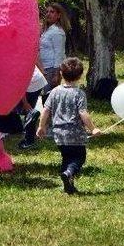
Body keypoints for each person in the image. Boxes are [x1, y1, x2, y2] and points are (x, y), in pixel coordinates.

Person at [36, 57, 101, 194]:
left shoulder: (54, 92)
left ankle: (68, 184)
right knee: (79, 157)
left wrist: (42, 127)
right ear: (80, 76)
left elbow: (46, 110)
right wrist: (93, 128)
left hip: (59, 135)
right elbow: (83, 113)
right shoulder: (79, 94)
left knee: (66, 157)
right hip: (75, 133)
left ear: (61, 73)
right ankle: (70, 172)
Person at [38, 3, 70, 103]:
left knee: (49, 99)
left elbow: (59, 53)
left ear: (58, 15)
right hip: (44, 68)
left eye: (52, 12)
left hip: (52, 69)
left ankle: (50, 118)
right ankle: (47, 118)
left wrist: (57, 74)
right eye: (47, 12)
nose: (48, 14)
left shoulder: (57, 32)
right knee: (45, 97)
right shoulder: (47, 30)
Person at [17, 65, 48, 149]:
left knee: (29, 112)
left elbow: (20, 88)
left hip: (33, 82)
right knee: (25, 109)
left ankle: (29, 140)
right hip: (37, 79)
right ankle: (23, 129)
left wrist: (26, 103)